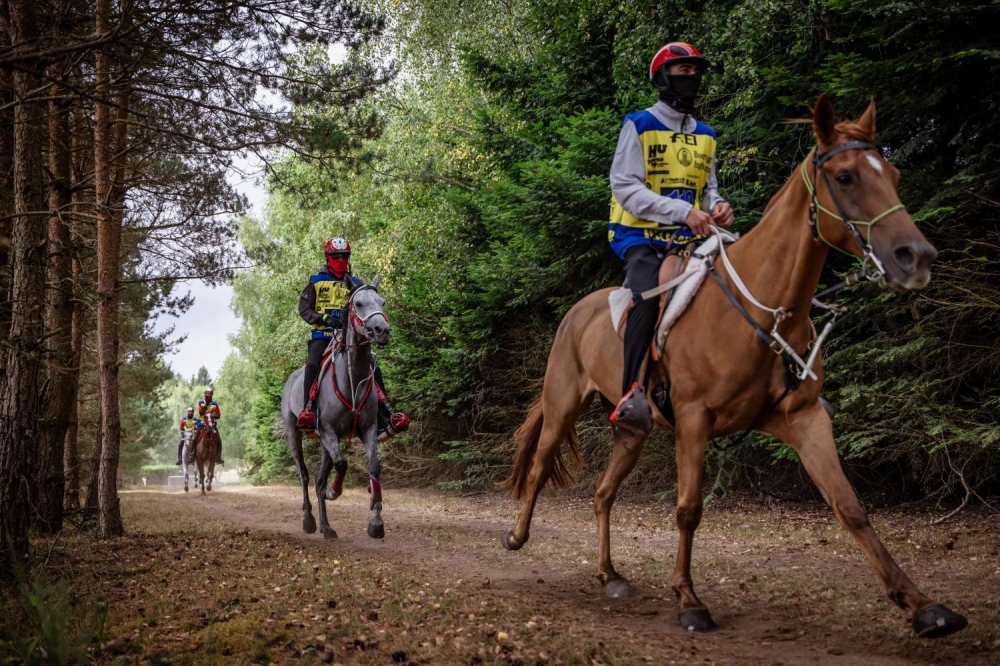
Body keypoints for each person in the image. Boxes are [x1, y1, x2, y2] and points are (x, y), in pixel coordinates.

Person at [607, 42, 735, 435]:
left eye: (694, 71)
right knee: (645, 295)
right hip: (639, 237)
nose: (690, 78)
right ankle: (631, 395)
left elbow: (708, 188)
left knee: (739, 278)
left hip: (688, 238)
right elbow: (624, 187)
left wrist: (719, 206)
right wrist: (682, 212)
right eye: (681, 71)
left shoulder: (707, 135)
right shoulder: (640, 124)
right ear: (662, 78)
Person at [296, 237, 410, 440]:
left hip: (351, 337)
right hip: (322, 335)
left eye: (344, 256)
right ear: (328, 257)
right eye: (335, 256)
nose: (340, 259)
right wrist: (322, 318)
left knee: (373, 366)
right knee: (313, 364)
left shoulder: (357, 284)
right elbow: (304, 308)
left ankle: (385, 417)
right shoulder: (315, 281)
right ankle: (309, 412)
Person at [197, 387, 224, 464]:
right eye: (207, 396)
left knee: (219, 440)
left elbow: (218, 414)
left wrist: (212, 417)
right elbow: (200, 412)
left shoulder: (214, 404)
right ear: (205, 396)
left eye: (210, 396)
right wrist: (205, 406)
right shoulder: (201, 402)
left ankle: (218, 456)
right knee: (195, 439)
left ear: (211, 396)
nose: (208, 398)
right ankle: (192, 455)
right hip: (201, 423)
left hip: (211, 424)